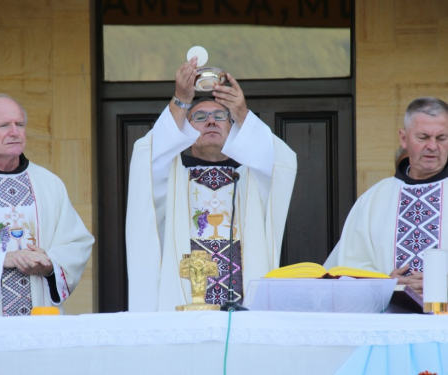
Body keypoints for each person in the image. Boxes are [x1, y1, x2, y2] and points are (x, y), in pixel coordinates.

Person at [126, 57, 297, 312]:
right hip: (184, 308)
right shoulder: (171, 181)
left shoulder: (253, 180)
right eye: (199, 117)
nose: (211, 121)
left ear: (234, 128)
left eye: (220, 115)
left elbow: (282, 162)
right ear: (183, 131)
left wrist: (243, 113)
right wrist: (181, 100)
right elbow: (145, 157)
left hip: (241, 313)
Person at [0, 93, 94, 316]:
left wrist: (49, 265)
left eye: (20, 124)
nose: (14, 132)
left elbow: (76, 243)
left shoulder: (48, 182)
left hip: (40, 319)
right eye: (3, 125)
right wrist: (1, 260)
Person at [324, 97, 448, 296]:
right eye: (423, 137)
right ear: (404, 138)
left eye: (441, 138)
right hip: (389, 321)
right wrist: (386, 283)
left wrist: (440, 284)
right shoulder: (373, 200)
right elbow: (345, 270)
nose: (433, 146)